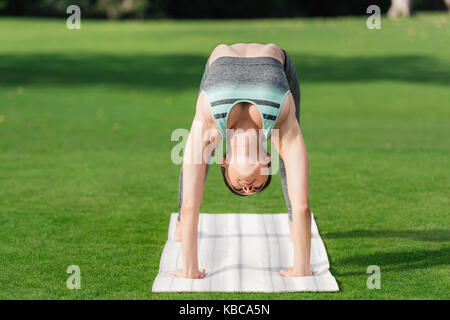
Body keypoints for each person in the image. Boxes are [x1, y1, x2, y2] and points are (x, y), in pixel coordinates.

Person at [170, 43, 312, 279]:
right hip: (270, 66)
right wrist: (301, 268)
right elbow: (303, 206)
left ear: (223, 160)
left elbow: (190, 205)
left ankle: (180, 225)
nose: (248, 187)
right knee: (293, 146)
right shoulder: (279, 122)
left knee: (197, 155)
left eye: (239, 188)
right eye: (256, 187)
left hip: (221, 66)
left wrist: (189, 269)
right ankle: (293, 223)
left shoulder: (211, 126)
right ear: (268, 159)